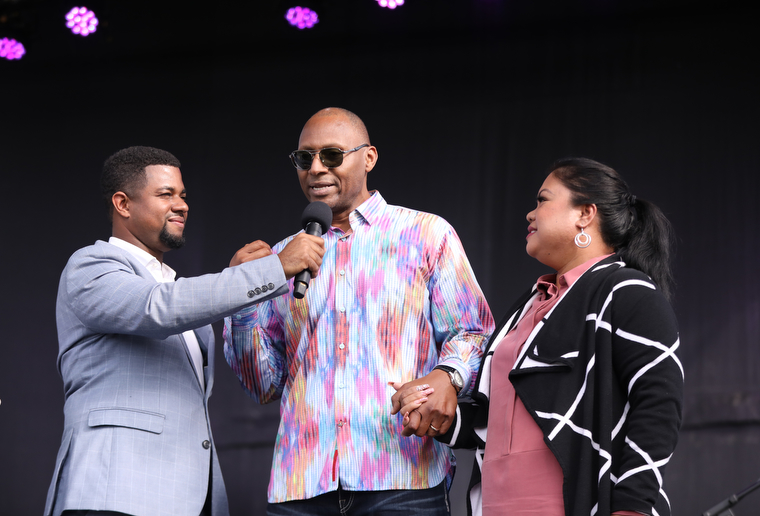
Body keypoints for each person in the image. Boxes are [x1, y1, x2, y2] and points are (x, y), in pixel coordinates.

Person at [223, 108, 495, 514]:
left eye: (332, 155)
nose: (316, 168)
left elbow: (473, 331)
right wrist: (242, 296)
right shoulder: (281, 258)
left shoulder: (425, 234)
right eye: (305, 158)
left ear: (368, 158)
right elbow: (262, 384)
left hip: (402, 476)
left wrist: (448, 376)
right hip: (302, 482)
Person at [392, 157, 684, 516]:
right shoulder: (531, 303)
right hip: (496, 503)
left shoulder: (627, 291)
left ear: (585, 214)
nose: (530, 214)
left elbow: (658, 404)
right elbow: (499, 419)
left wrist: (632, 508)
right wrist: (440, 416)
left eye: (542, 200)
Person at [44, 146, 325, 516]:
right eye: (166, 194)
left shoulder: (176, 290)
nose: (182, 205)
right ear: (123, 204)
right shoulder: (90, 267)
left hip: (186, 499)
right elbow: (158, 308)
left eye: (183, 194)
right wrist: (271, 271)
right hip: (113, 493)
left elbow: (180, 304)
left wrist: (241, 281)